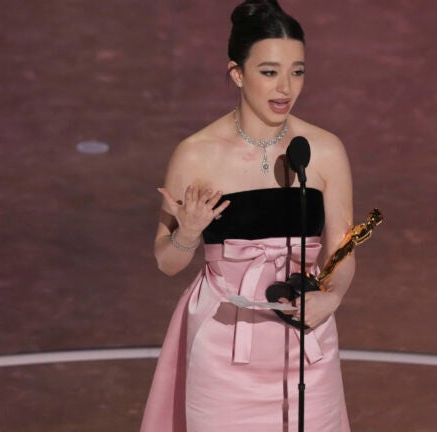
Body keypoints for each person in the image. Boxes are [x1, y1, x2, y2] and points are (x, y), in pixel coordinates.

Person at [139, 1, 355, 430]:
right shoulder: (196, 155)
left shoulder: (324, 150)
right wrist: (188, 234)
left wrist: (332, 297)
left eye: (297, 72)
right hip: (224, 348)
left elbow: (343, 249)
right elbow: (167, 262)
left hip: (305, 343)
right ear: (237, 74)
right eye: (269, 72)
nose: (285, 88)